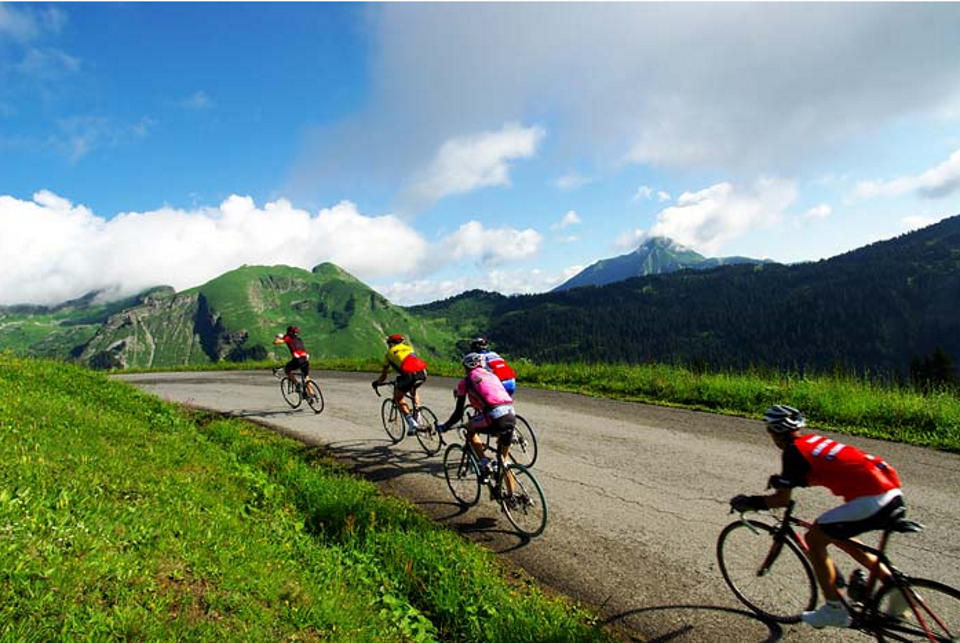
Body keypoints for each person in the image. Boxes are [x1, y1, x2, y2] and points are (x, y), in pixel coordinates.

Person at [730, 404, 905, 629]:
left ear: (775, 432)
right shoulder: (812, 441)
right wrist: (786, 479)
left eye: (769, 431)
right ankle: (896, 589)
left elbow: (781, 500)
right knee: (839, 535)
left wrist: (750, 502)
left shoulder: (792, 452)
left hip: (871, 499)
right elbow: (822, 471)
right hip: (891, 491)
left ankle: (835, 608)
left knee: (814, 537)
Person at [437, 352, 518, 501]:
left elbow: (458, 412)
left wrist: (446, 426)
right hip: (511, 414)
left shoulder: (466, 382)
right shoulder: (492, 376)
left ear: (466, 367)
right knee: (503, 460)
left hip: (494, 416)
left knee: (469, 428)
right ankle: (511, 497)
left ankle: (484, 462)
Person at [372, 334, 428, 435]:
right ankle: (418, 417)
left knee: (398, 397)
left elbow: (383, 376)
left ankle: (412, 423)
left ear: (391, 344)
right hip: (422, 372)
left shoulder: (389, 354)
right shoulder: (409, 348)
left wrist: (376, 383)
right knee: (414, 391)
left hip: (409, 376)